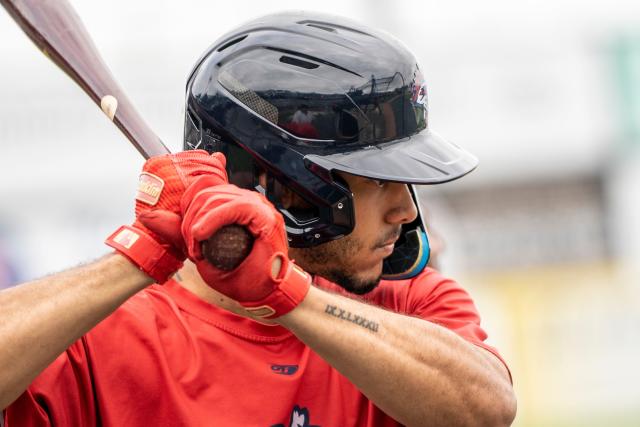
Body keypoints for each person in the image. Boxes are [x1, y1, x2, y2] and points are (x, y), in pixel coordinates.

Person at [0, 12, 516, 427]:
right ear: (283, 184)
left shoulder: (406, 303)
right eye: (378, 180)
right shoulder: (101, 336)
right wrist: (143, 256)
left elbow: (486, 411)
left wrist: (284, 293)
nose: (405, 210)